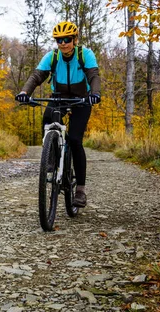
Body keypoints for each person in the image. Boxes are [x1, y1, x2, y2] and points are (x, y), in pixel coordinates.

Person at [15, 21, 101, 207]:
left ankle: (80, 191)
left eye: (67, 39)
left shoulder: (84, 54)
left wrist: (94, 94)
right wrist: (24, 93)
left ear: (74, 39)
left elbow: (93, 75)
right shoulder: (52, 57)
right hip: (59, 97)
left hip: (81, 100)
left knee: (76, 140)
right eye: (59, 40)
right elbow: (37, 76)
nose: (63, 43)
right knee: (47, 118)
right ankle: (51, 159)